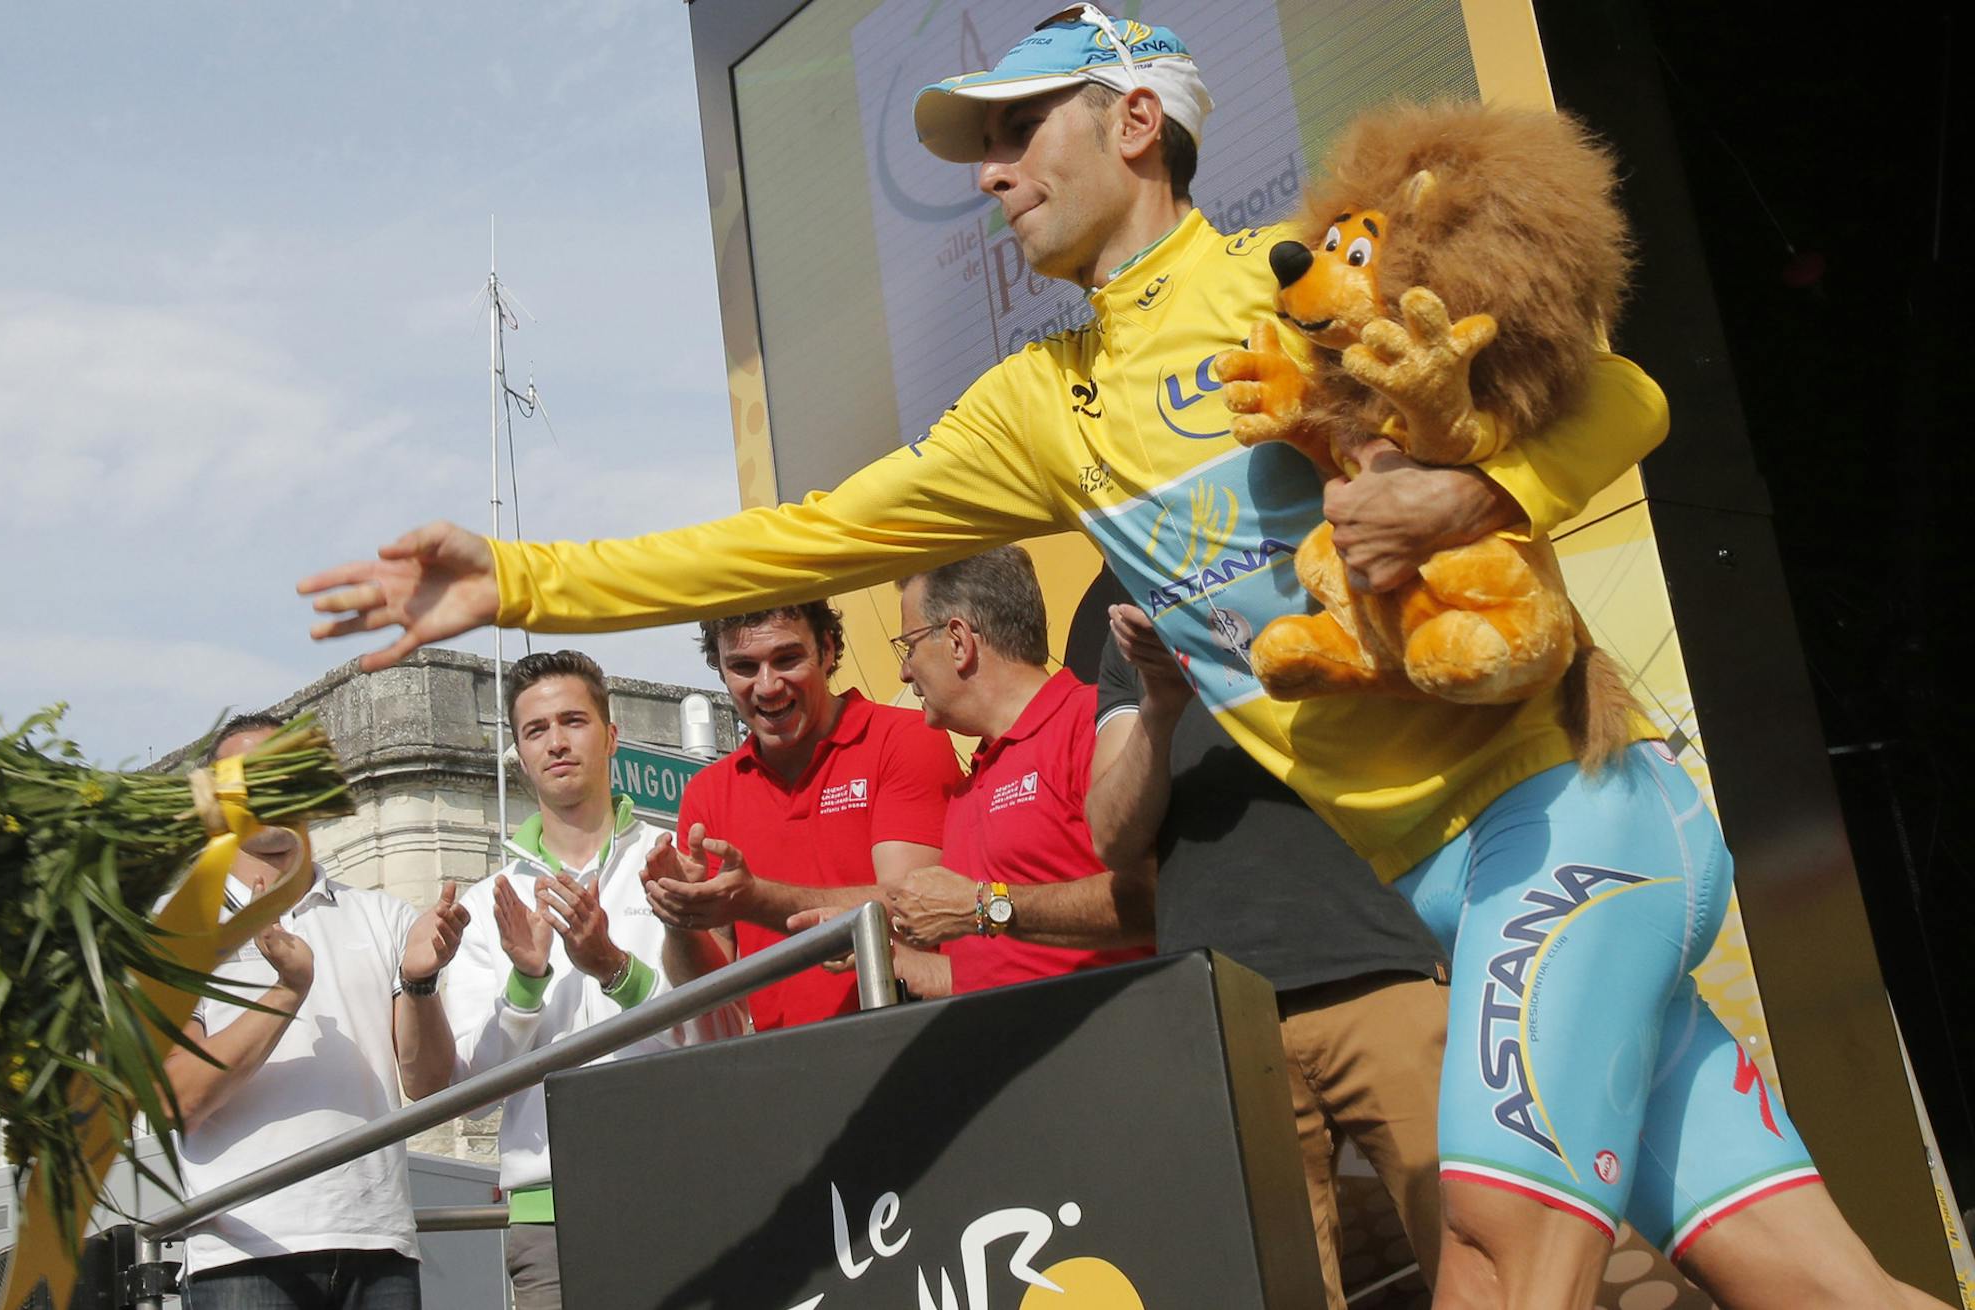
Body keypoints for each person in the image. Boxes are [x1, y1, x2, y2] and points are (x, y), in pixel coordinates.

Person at [299, 8, 1942, 1307]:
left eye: (1018, 131)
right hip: (1459, 882)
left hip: (1575, 827)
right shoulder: (1040, 408)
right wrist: (516, 575)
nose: (991, 173)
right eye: (977, 146)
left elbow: (1625, 397)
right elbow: (793, 542)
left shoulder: (1286, 280)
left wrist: (1469, 482)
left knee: (1495, 1270)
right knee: (1813, 1284)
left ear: (1135, 121)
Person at [1089, 585, 1449, 1309]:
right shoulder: (1134, 624)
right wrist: (1161, 706)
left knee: (1492, 1260)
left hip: (1383, 969)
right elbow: (1112, 837)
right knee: (1280, 1293)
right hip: (1228, 1018)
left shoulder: (1310, 553)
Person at [438, 651, 742, 1310]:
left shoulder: (673, 861)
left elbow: (725, 1039)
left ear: (611, 735)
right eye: (535, 729)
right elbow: (471, 1095)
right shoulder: (491, 900)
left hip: (684, 1187)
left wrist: (615, 969)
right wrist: (526, 982)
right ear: (518, 752)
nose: (555, 741)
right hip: (551, 1217)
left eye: (573, 720)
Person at [163, 713, 467, 1310]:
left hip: (379, 1246)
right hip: (241, 1252)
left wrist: (419, 983)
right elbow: (179, 1098)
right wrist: (286, 994)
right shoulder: (176, 928)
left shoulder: (385, 919)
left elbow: (427, 1083)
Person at [637, 602, 964, 1029]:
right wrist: (682, 915)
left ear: (827, 650)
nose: (768, 685)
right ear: (719, 670)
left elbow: (913, 912)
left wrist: (754, 899)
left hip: (912, 1041)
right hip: (784, 1068)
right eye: (744, 667)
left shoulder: (904, 739)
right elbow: (709, 994)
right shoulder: (708, 792)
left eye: (787, 659)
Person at [870, 547, 1149, 998]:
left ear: (958, 640)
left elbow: (1153, 901)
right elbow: (1003, 969)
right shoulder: (969, 784)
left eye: (910, 645)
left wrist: (983, 906)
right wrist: (895, 959)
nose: (905, 671)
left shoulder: (1093, 724)